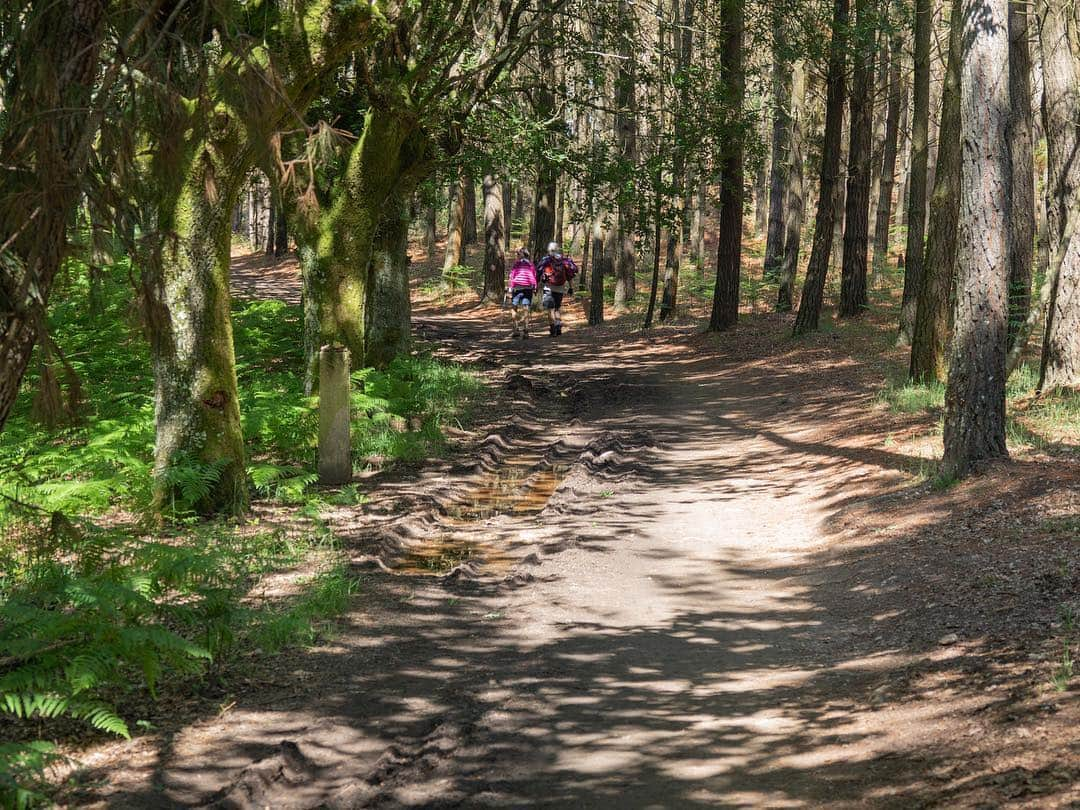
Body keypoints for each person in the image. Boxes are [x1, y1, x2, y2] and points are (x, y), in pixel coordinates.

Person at [537, 241, 578, 336]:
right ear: (557, 249)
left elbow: (538, 271)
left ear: (549, 250)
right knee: (557, 308)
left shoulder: (546, 260)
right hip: (560, 288)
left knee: (550, 309)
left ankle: (553, 329)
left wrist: (537, 285)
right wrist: (571, 288)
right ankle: (558, 326)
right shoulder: (563, 260)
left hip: (548, 288)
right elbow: (569, 275)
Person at [506, 247, 537, 339]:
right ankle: (526, 331)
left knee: (514, 308)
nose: (517, 255)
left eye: (518, 254)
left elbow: (512, 276)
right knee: (526, 308)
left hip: (517, 288)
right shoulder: (531, 264)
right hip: (528, 288)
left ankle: (516, 330)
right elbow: (534, 276)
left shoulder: (517, 264)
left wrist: (509, 288)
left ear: (522, 255)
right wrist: (535, 288)